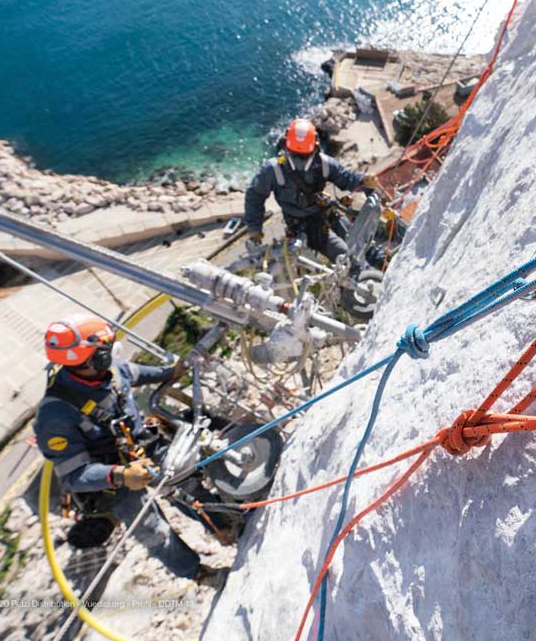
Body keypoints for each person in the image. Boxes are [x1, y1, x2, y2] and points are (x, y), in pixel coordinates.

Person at [33, 314, 202, 579]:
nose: (111, 354)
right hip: (113, 482)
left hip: (142, 447)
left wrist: (170, 373)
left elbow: (134, 374)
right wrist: (120, 475)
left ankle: (228, 524)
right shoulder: (55, 415)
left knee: (188, 481)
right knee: (153, 531)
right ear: (92, 357)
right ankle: (197, 572)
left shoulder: (108, 370)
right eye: (105, 350)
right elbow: (73, 476)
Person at [244, 117, 383, 267]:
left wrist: (255, 230)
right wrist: (363, 181)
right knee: (349, 259)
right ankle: (369, 274)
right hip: (308, 229)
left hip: (325, 215)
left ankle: (377, 262)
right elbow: (347, 179)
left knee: (362, 242)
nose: (300, 162)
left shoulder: (275, 169)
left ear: (286, 144)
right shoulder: (321, 164)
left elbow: (255, 196)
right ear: (315, 145)